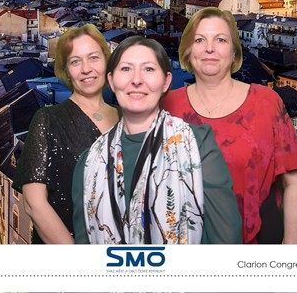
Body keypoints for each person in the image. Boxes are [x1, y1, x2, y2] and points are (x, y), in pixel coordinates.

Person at [72, 36, 241, 244]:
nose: (136, 80)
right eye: (126, 69)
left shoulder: (198, 145)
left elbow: (226, 241)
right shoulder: (89, 163)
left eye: (149, 69)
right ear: (112, 81)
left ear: (166, 82)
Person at [161, 7, 297, 244]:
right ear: (187, 51)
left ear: (234, 52)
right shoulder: (167, 106)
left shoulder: (266, 102)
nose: (209, 48)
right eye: (199, 40)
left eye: (220, 39)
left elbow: (293, 182)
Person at [12, 24, 119, 244]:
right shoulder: (48, 119)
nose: (86, 69)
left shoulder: (127, 118)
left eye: (93, 58)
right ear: (66, 71)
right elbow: (33, 203)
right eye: (75, 61)